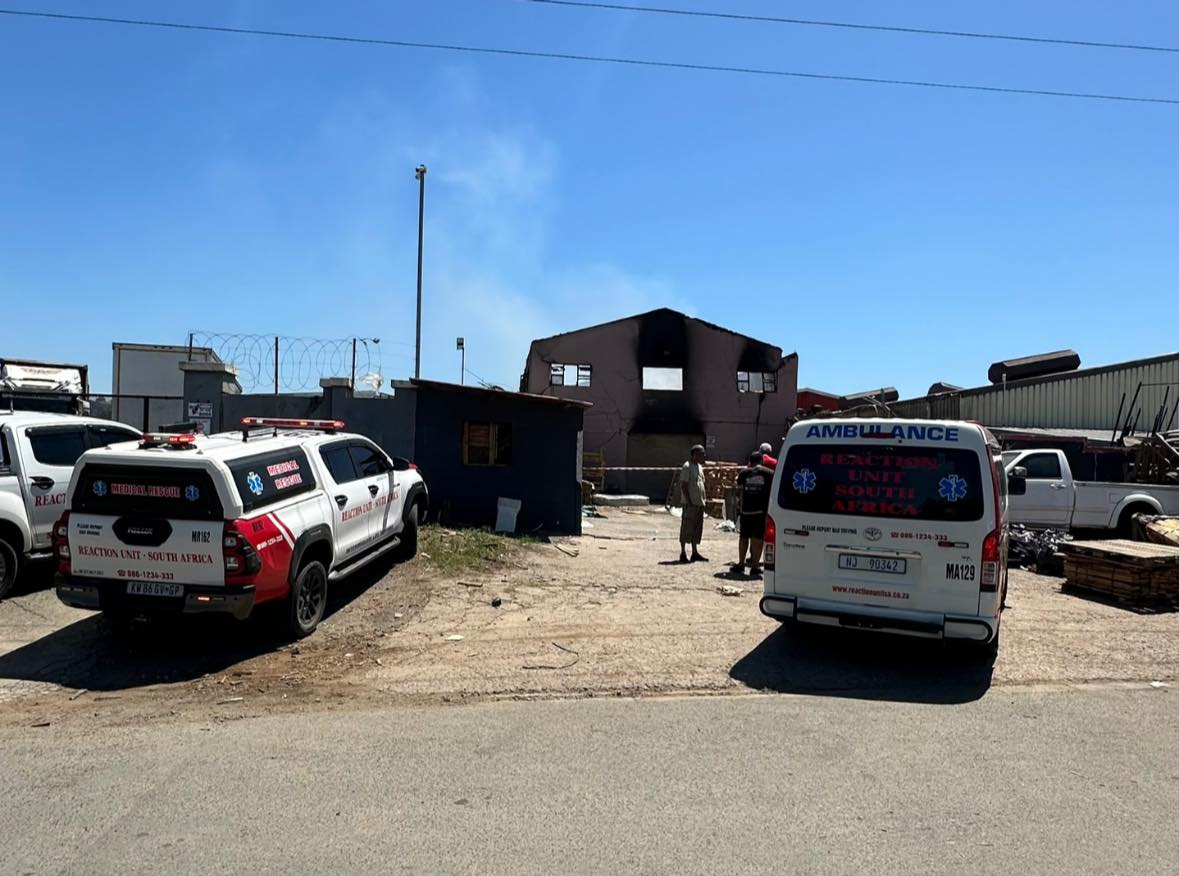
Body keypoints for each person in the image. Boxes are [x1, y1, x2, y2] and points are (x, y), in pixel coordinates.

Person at [734, 450, 773, 576]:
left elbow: (738, 487)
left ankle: (740, 564)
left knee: (743, 538)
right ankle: (755, 566)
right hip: (760, 512)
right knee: (758, 539)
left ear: (750, 461)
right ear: (762, 461)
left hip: (746, 511)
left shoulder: (744, 472)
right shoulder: (768, 473)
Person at [678, 444, 708, 563]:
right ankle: (683, 552)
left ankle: (695, 552)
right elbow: (684, 485)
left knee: (697, 529)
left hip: (699, 503)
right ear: (695, 454)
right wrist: (689, 501)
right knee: (686, 528)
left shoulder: (700, 467)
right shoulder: (687, 466)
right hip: (690, 504)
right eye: (701, 454)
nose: (703, 456)